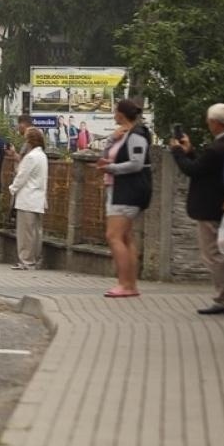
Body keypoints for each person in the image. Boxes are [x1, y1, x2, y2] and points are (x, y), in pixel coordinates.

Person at [170, 102, 224, 314]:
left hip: (210, 206)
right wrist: (190, 152)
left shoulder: (217, 148)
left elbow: (195, 170)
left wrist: (178, 153)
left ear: (214, 123)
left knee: (214, 254)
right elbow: (205, 168)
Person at [97, 98, 153, 298]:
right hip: (119, 188)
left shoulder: (137, 135)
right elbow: (109, 154)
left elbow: (136, 163)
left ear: (121, 113)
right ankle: (130, 284)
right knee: (125, 237)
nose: (113, 114)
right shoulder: (124, 134)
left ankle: (125, 283)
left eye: (115, 111)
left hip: (127, 191)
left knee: (113, 236)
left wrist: (110, 168)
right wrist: (112, 140)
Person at [9, 127, 48, 270]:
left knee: (25, 233)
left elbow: (22, 176)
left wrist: (12, 188)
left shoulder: (31, 157)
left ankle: (26, 260)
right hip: (38, 199)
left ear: (30, 141)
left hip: (27, 199)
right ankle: (35, 259)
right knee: (35, 232)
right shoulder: (42, 156)